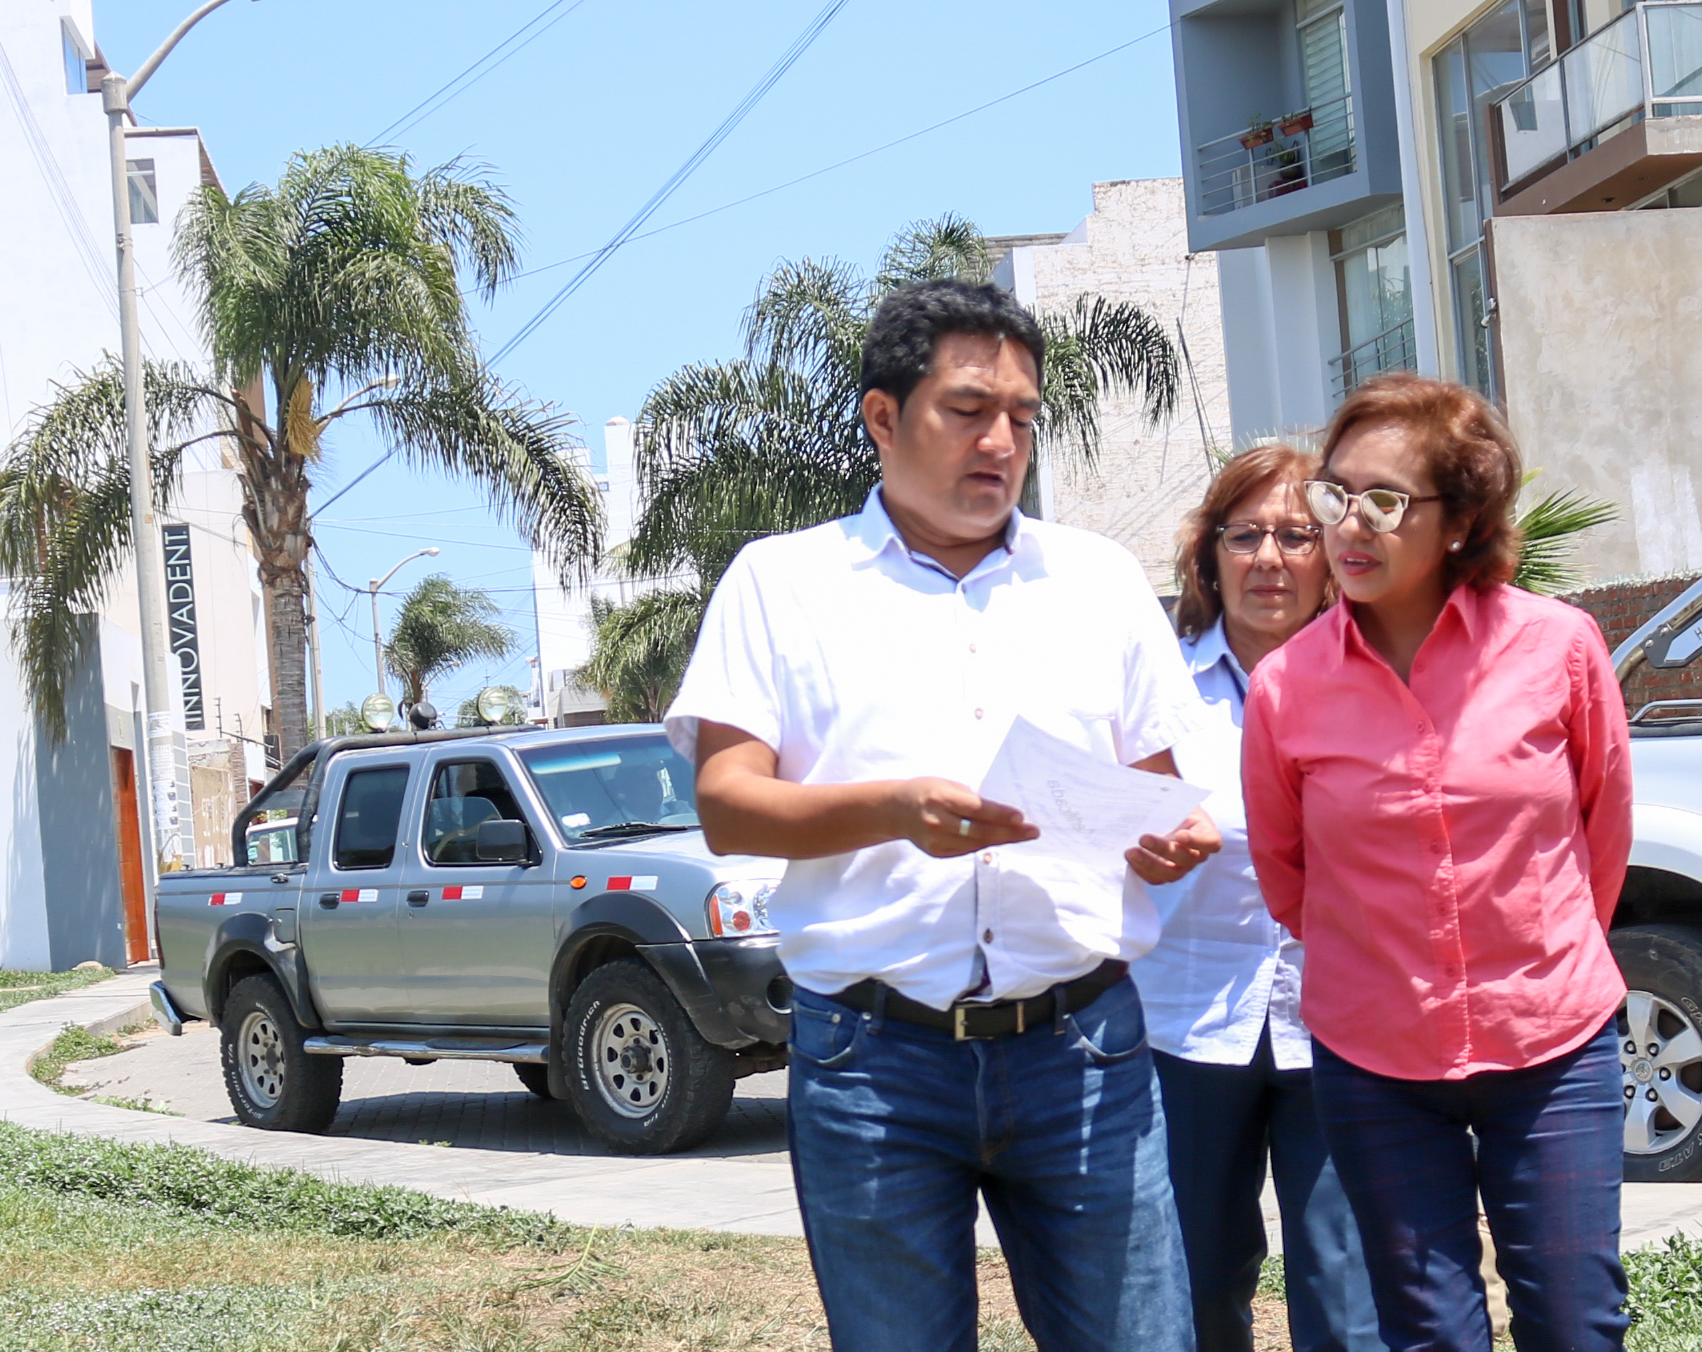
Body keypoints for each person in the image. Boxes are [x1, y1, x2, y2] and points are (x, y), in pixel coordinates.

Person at [666, 278, 1221, 1352]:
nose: (1001, 441)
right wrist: (892, 809)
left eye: (1022, 416)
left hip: (1084, 1049)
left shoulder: (1098, 580)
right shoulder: (783, 583)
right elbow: (729, 805)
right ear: (884, 415)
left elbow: (1163, 803)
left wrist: (1169, 841)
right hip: (874, 1058)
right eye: (968, 410)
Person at [1242, 373, 1635, 1352]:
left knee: (1576, 1321)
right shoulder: (1286, 686)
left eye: (1386, 500)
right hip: (1374, 1052)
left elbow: (1604, 828)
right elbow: (1287, 872)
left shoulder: (1560, 646)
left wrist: (1536, 948)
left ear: (1459, 521)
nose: (1351, 525)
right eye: (1336, 494)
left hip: (1552, 1037)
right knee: (1431, 1332)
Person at [1134, 444, 1384, 1352]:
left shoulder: (1376, 685)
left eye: (1294, 535)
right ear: (1209, 556)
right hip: (1184, 1027)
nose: (1269, 558)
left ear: (1331, 555)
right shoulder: (1154, 693)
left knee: (1347, 1299)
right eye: (1245, 536)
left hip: (1338, 1030)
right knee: (1194, 1287)